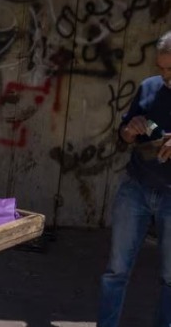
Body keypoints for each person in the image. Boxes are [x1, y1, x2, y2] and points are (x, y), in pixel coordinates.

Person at [97, 31, 171, 327]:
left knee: (170, 277)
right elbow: (125, 133)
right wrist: (129, 130)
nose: (165, 75)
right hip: (136, 187)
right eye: (161, 68)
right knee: (116, 271)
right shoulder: (149, 87)